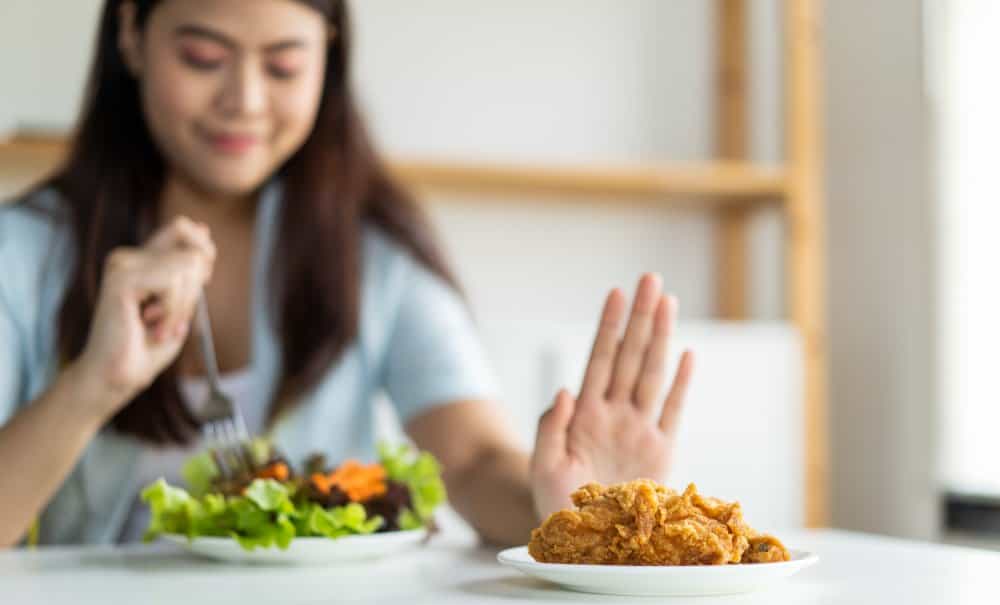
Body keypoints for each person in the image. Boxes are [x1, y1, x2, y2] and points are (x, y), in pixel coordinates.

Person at [0, 0, 694, 548]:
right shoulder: (25, 252)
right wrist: (95, 386)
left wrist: (571, 512)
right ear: (130, 35)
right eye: (203, 56)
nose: (243, 98)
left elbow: (475, 457)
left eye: (283, 66)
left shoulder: (372, 251)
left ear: (327, 59)